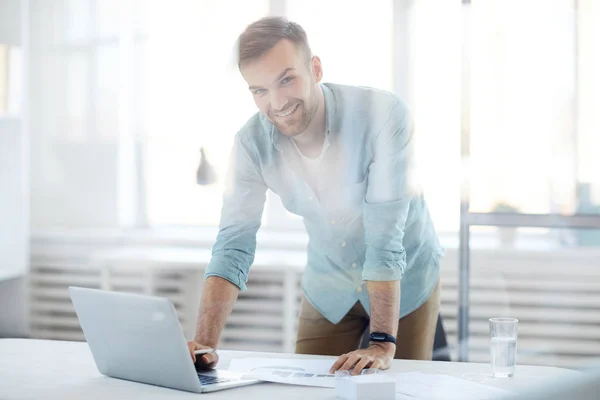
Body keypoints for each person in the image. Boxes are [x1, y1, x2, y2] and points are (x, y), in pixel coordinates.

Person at [187, 16, 444, 376]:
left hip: (405, 278)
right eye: (259, 90)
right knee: (305, 387)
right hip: (330, 284)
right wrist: (203, 345)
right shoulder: (250, 144)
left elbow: (385, 237)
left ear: (315, 68)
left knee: (399, 386)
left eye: (286, 80)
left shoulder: (383, 116)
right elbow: (232, 245)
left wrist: (383, 341)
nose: (276, 102)